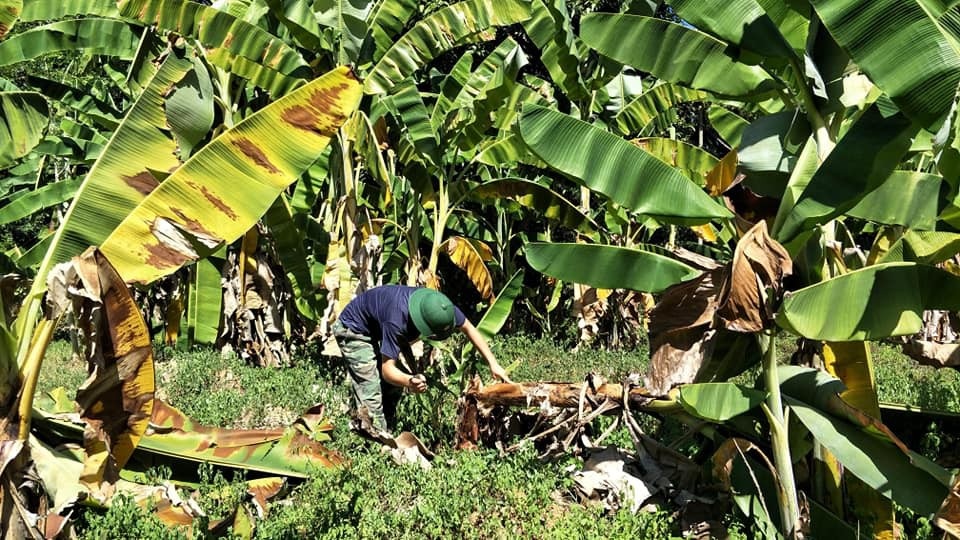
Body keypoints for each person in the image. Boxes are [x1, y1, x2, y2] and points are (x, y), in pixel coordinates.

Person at [332, 285, 511, 436]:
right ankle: (374, 448)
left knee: (393, 386)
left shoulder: (440, 306)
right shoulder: (396, 319)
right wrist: (410, 381)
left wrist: (493, 363)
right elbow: (388, 371)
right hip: (354, 330)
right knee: (369, 389)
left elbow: (469, 328)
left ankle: (387, 427)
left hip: (375, 327)